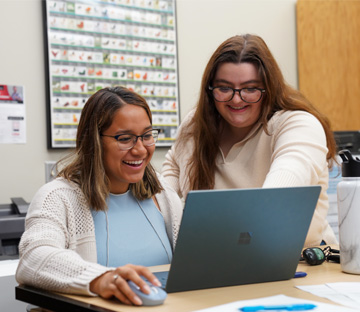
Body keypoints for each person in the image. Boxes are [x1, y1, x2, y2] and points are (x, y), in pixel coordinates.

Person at [162, 34, 337, 247]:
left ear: (269, 89)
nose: (236, 99)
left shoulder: (298, 124)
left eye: (250, 89)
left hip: (301, 263)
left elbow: (276, 197)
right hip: (220, 259)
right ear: (210, 90)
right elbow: (168, 185)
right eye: (224, 88)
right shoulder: (195, 125)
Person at [16, 86, 183, 306]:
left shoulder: (164, 194)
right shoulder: (57, 197)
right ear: (93, 141)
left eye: (147, 135)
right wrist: (99, 279)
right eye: (125, 138)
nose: (141, 149)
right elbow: (33, 259)